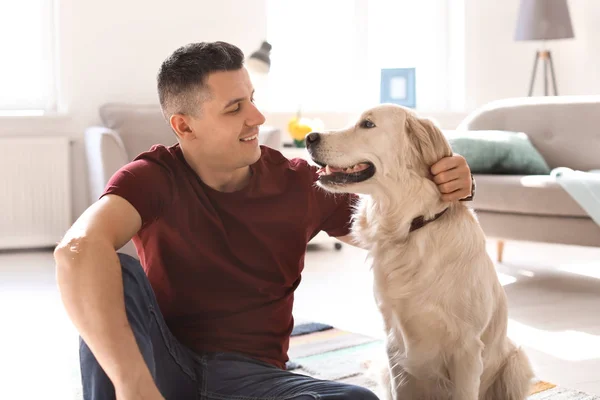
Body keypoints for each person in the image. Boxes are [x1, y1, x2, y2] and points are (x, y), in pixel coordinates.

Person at [54, 41, 474, 400]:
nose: (256, 117)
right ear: (184, 126)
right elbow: (75, 251)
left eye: (252, 99)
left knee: (357, 398)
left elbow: (397, 232)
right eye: (235, 108)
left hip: (255, 377)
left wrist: (452, 186)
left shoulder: (300, 183)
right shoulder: (151, 177)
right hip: (165, 364)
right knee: (110, 269)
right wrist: (136, 389)